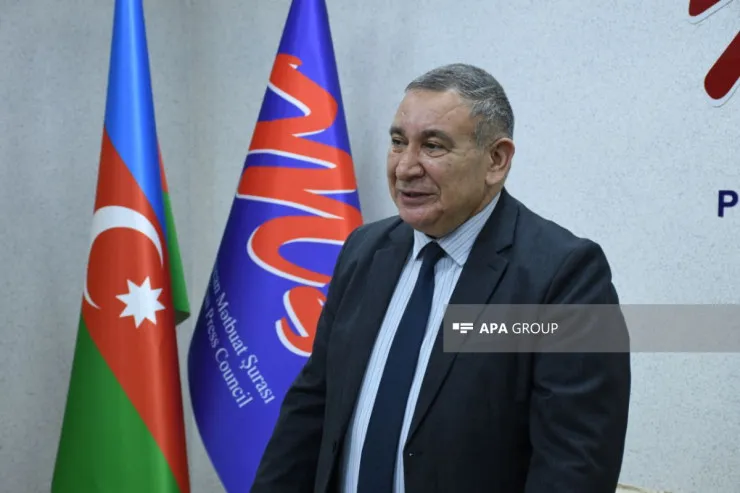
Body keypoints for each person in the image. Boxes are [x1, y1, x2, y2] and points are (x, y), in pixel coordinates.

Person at [250, 63, 631, 493]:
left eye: (433, 146)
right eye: (398, 142)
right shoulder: (363, 251)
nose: (405, 168)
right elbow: (313, 405)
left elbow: (575, 465)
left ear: (496, 160)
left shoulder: (564, 277)